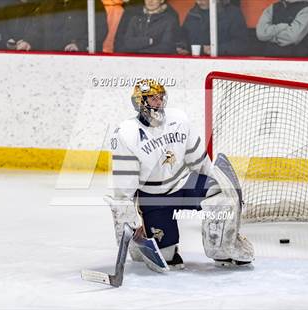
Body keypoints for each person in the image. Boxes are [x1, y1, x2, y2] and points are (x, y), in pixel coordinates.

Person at [107, 79, 254, 271]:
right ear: (139, 101)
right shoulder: (127, 133)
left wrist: (220, 182)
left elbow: (198, 160)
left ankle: (222, 249)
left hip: (183, 184)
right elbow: (124, 187)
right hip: (154, 197)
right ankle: (146, 247)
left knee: (221, 196)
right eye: (153, 98)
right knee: (168, 259)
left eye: (161, 97)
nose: (159, 102)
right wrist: (129, 224)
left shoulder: (179, 120)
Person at [27, 0, 107, 52]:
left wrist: (80, 45)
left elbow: (100, 30)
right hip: (50, 61)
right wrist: (29, 41)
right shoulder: (47, 5)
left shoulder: (91, 3)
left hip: (82, 61)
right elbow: (36, 29)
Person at [177, 0, 249, 56]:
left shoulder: (233, 13)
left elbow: (241, 44)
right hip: (195, 63)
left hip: (224, 64)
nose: (199, 1)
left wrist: (216, 49)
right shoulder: (193, 13)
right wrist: (183, 46)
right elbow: (183, 37)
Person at [115, 0, 179, 54]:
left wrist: (140, 52)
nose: (150, 1)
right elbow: (124, 42)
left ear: (162, 0)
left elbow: (167, 46)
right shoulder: (134, 16)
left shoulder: (170, 18)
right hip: (130, 59)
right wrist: (150, 41)